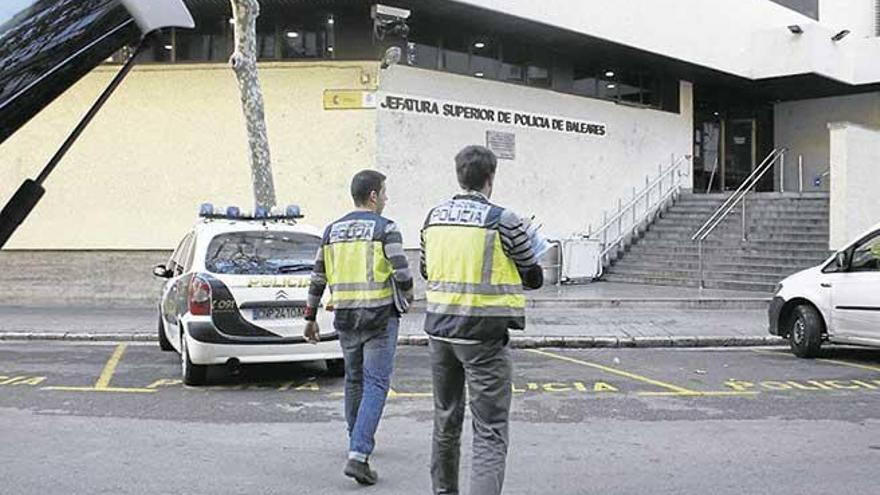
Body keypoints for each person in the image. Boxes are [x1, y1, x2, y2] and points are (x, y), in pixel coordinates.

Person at [420, 145, 543, 495]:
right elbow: (533, 276)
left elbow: (426, 269)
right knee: (489, 429)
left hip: (440, 332)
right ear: (491, 178)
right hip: (483, 336)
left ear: (459, 175)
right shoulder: (503, 220)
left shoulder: (433, 217)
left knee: (445, 419)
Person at [304, 169, 414, 486]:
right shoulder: (386, 228)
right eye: (385, 193)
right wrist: (408, 295)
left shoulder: (331, 231)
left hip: (346, 317)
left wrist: (310, 317)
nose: (387, 199)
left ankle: (357, 441)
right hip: (379, 317)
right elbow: (402, 270)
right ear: (373, 196)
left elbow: (317, 277)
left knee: (354, 381)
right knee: (376, 383)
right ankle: (359, 454)